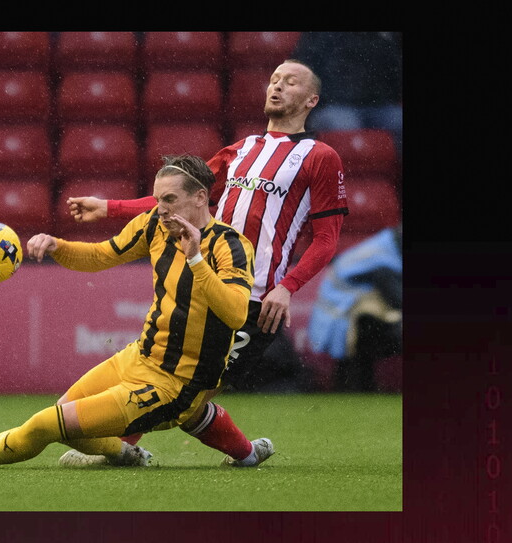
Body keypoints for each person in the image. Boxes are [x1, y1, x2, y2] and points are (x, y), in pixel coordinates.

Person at [0, 155, 273, 469]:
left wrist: (195, 259)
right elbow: (103, 255)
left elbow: (237, 314)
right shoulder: (154, 225)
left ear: (200, 197)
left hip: (176, 383)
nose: (160, 209)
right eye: (157, 199)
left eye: (169, 200)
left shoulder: (230, 245)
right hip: (138, 357)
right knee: (68, 421)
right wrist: (58, 246)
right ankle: (125, 452)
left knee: (45, 424)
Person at [62, 59, 348, 466]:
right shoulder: (240, 150)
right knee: (181, 395)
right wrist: (109, 207)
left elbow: (326, 239)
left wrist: (288, 287)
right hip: (199, 285)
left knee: (187, 395)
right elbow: (174, 196)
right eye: (273, 79)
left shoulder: (320, 157)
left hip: (251, 300)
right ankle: (245, 454)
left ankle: (121, 451)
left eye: (291, 82)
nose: (277, 86)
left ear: (312, 99)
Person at [307, 224, 402, 391]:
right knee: (370, 339)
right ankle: (356, 389)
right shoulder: (386, 257)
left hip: (342, 307)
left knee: (358, 354)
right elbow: (395, 295)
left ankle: (353, 389)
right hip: (342, 307)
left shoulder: (386, 245)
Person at [291, 32, 403, 155]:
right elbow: (301, 74)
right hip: (333, 107)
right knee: (344, 124)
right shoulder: (319, 36)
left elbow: (394, 77)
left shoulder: (379, 36)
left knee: (398, 119)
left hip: (375, 106)